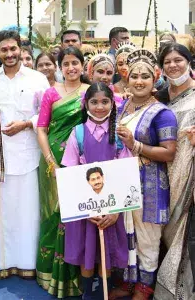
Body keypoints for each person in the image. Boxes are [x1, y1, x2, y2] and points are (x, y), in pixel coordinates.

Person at [0, 30, 49, 280]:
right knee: (1, 213)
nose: (9, 54)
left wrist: (26, 123)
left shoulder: (38, 79)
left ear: (21, 49)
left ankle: (29, 264)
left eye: (13, 49)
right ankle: (2, 264)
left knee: (29, 213)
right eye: (4, 50)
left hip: (29, 156)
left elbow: (47, 114)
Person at [112, 48, 177, 299]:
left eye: (145, 77)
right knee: (125, 232)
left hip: (149, 184)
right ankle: (128, 282)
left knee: (147, 238)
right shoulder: (122, 106)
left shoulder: (162, 113)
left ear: (155, 80)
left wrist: (135, 146)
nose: (139, 81)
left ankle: (144, 287)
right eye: (135, 76)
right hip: (123, 182)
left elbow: (168, 153)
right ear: (127, 78)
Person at [61, 83, 128, 299]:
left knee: (106, 253)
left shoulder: (119, 135)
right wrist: (86, 208)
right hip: (85, 211)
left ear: (113, 103)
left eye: (105, 101)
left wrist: (115, 211)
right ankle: (88, 293)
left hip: (111, 209)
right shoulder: (77, 133)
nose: (99, 107)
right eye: (94, 102)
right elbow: (70, 174)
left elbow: (125, 174)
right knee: (87, 253)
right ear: (86, 104)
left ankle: (103, 293)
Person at [36, 46, 90, 298]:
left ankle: (75, 275)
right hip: (52, 162)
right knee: (51, 214)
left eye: (75, 63)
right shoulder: (51, 93)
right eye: (66, 63)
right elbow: (42, 129)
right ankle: (49, 273)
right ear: (60, 67)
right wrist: (50, 162)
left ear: (82, 65)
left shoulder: (90, 93)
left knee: (75, 217)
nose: (70, 68)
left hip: (80, 161)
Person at [154, 43, 195, 299]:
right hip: (161, 173)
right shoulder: (158, 96)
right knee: (164, 230)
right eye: (167, 61)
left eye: (178, 59)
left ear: (189, 61)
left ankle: (180, 291)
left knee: (186, 232)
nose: (173, 65)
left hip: (188, 172)